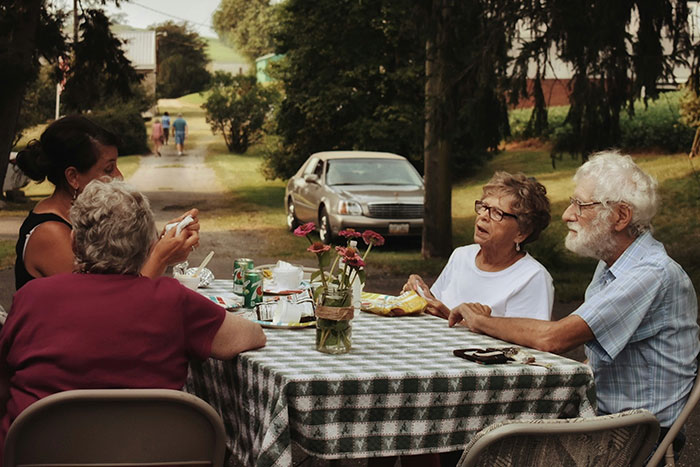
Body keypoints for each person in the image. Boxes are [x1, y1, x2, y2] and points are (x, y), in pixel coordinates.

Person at [449, 151, 699, 461]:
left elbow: (554, 338)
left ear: (621, 217)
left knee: (486, 448)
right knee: (477, 436)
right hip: (604, 420)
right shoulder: (613, 265)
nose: (567, 214)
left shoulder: (651, 274)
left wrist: (480, 320)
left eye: (580, 205)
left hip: (633, 437)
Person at [0, 178, 266, 455]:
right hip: (147, 457)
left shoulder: (31, 297)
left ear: (75, 242)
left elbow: (4, 382)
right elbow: (251, 336)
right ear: (147, 245)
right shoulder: (173, 300)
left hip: (37, 456)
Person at [14, 115, 199, 290]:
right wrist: (160, 258)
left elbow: (117, 283)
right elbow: (105, 309)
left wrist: (164, 243)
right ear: (73, 177)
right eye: (109, 169)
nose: (119, 176)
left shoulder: (86, 220)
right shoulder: (50, 233)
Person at [404, 172, 553, 320]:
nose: (483, 216)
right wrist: (421, 294)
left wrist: (447, 316)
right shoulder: (461, 256)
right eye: (484, 207)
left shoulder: (532, 277)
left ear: (522, 232)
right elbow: (433, 309)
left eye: (497, 213)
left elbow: (525, 339)